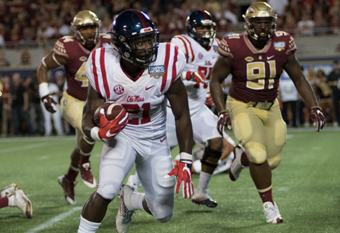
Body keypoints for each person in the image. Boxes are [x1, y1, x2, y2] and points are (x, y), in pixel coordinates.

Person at [78, 9, 194, 233]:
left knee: (163, 214)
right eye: (139, 42)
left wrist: (186, 158)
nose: (147, 48)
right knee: (107, 189)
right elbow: (87, 118)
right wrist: (98, 134)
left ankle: (130, 200)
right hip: (122, 135)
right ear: (119, 45)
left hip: (155, 137)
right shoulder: (103, 64)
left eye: (149, 40)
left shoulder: (166, 60)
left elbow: (182, 114)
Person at [210, 2, 326, 224]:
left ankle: (240, 158)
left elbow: (299, 78)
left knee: (271, 161)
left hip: (270, 105)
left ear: (273, 23)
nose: (263, 27)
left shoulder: (282, 43)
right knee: (258, 155)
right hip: (241, 105)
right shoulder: (234, 45)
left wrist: (314, 106)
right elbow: (215, 79)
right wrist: (222, 110)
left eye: (267, 22)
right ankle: (269, 205)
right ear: (248, 24)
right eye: (258, 22)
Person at [127, 10, 247, 208]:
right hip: (172, 109)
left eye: (208, 27)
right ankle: (134, 182)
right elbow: (164, 69)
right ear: (191, 29)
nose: (205, 31)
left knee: (217, 143)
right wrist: (188, 76)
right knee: (156, 156)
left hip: (198, 109)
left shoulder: (218, 45)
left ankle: (201, 191)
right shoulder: (180, 43)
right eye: (201, 27)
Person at [37, 10, 112, 204]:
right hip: (73, 100)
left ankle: (69, 179)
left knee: (81, 146)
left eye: (91, 27)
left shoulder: (109, 44)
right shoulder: (68, 47)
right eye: (83, 28)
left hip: (96, 102)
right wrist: (45, 93)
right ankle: (85, 164)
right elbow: (43, 66)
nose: (88, 32)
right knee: (91, 130)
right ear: (76, 31)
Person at [327, 60, 340, 126]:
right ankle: (338, 121)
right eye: (334, 65)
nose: (335, 66)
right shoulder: (331, 74)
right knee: (336, 106)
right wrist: (333, 83)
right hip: (335, 92)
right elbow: (328, 83)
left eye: (336, 65)